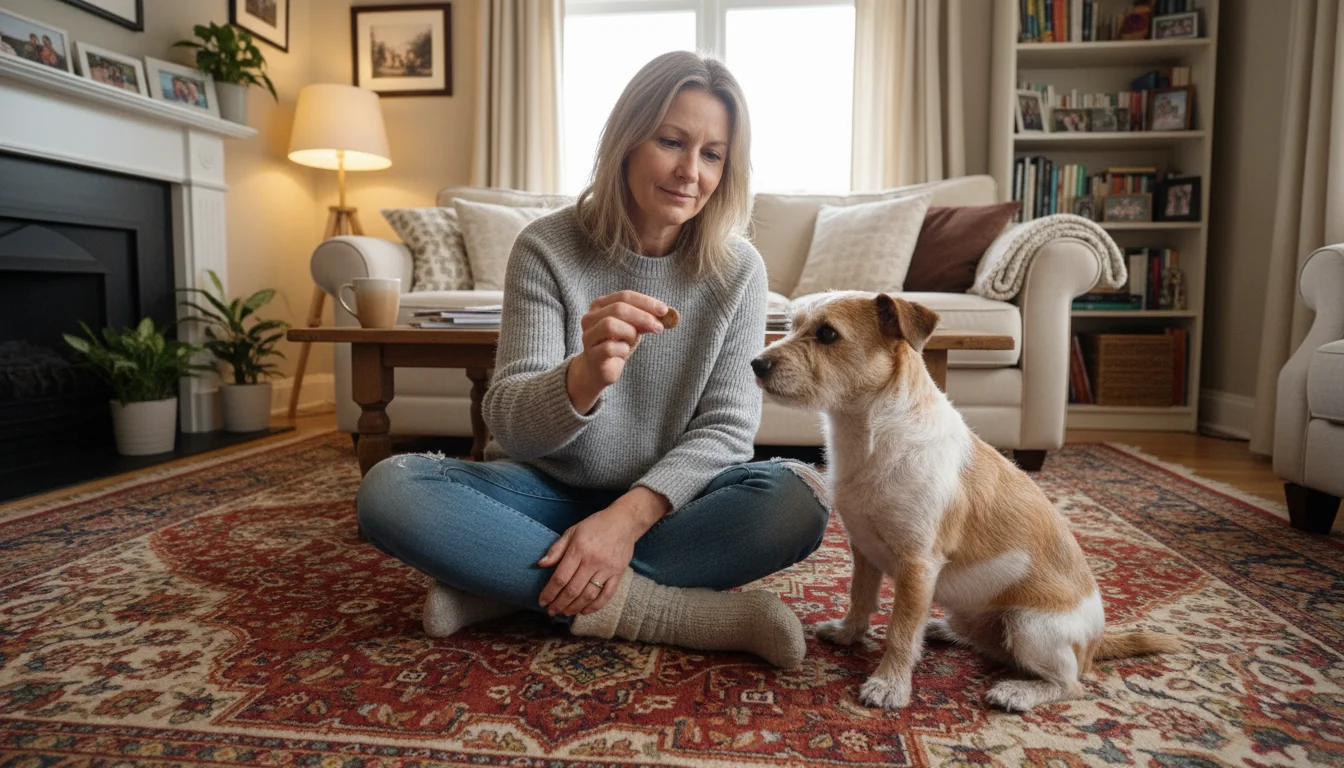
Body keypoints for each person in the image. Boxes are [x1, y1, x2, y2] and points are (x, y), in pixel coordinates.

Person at [356, 51, 830, 668]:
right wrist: (581, 379)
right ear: (629, 140)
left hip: (667, 504)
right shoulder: (547, 248)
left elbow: (728, 429)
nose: (691, 171)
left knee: (798, 499)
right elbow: (509, 423)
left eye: (712, 154)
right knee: (390, 490)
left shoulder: (739, 270)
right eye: (671, 141)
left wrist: (627, 519)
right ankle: (662, 610)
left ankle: (504, 587)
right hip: (544, 489)